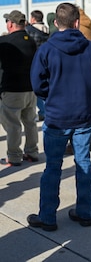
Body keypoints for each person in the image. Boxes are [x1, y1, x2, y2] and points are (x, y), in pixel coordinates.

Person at [27, 3, 91, 231]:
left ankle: (48, 217)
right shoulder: (90, 48)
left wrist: (52, 96)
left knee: (53, 167)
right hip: (81, 117)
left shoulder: (47, 49)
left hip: (57, 118)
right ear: (77, 22)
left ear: (56, 23)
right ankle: (84, 212)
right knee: (84, 165)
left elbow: (37, 83)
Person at [0, 10, 39, 166]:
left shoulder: (5, 42)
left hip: (12, 89)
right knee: (30, 122)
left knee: (13, 125)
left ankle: (14, 156)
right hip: (30, 89)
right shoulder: (31, 40)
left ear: (10, 24)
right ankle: (32, 152)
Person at [65, 8, 91, 154]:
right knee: (90, 111)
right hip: (90, 74)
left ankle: (80, 143)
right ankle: (90, 141)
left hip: (78, 74)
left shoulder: (79, 31)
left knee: (79, 114)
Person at [26, 10, 50, 122]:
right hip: (47, 61)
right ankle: (46, 111)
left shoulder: (30, 31)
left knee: (37, 89)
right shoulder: (47, 29)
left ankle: (43, 111)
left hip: (34, 62)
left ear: (33, 19)